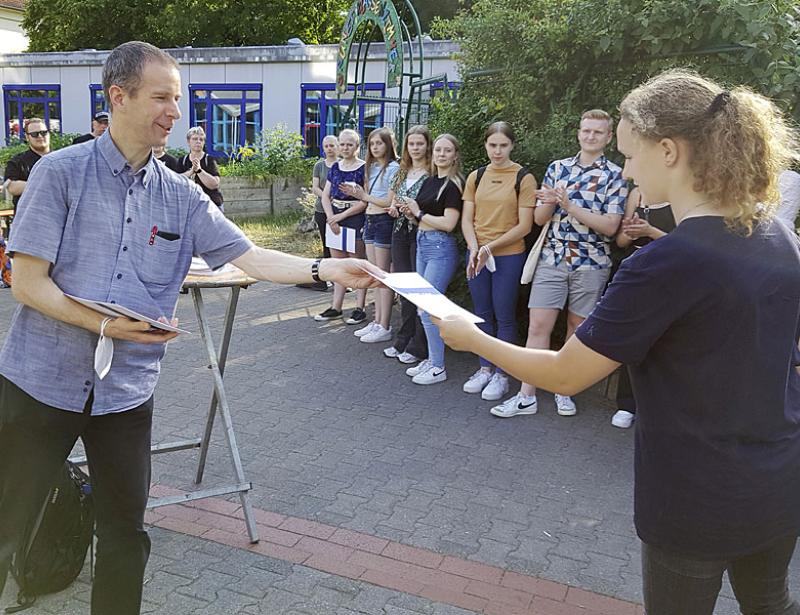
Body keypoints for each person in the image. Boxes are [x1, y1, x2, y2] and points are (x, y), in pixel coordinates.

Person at [0, 41, 379, 615]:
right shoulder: (59, 173)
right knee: (7, 524)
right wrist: (110, 324)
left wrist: (326, 267)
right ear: (118, 96)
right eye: (161, 98)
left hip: (124, 395)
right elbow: (27, 285)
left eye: (176, 99)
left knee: (126, 534)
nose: (175, 113)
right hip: (37, 385)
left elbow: (250, 257)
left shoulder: (182, 195)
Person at [435, 69, 800, 615]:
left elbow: (565, 373)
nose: (626, 168)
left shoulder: (669, 261)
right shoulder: (778, 235)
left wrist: (473, 338)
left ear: (669, 151)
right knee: (771, 603)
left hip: (696, 494)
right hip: (778, 480)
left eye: (630, 154)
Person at [490, 110, 626, 419]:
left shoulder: (615, 176)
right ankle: (526, 395)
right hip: (552, 259)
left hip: (591, 264)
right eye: (586, 130)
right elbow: (539, 220)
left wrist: (569, 205)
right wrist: (550, 202)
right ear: (578, 133)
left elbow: (609, 227)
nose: (590, 136)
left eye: (597, 132)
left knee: (577, 329)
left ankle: (564, 388)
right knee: (538, 326)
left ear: (608, 137)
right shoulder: (557, 168)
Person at [461, 121, 536, 402]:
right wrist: (474, 248)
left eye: (503, 145)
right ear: (485, 145)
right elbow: (468, 219)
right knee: (481, 314)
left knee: (504, 315)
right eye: (492, 145)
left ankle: (502, 375)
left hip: (507, 255)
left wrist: (489, 248)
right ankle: (485, 367)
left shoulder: (523, 177)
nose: (497, 151)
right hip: (477, 254)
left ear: (512, 146)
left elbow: (525, 226)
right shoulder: (476, 176)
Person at [399, 134, 463, 384]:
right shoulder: (431, 181)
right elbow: (420, 217)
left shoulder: (454, 184)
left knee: (429, 309)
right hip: (422, 243)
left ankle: (438, 367)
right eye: (438, 150)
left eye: (447, 150)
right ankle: (431, 359)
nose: (441, 154)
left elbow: (449, 224)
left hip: (440, 248)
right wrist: (411, 213)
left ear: (455, 155)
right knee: (421, 306)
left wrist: (418, 211)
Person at [609, 187, 674, 429]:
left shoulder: (677, 191)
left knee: (665, 342)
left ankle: (657, 407)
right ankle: (627, 404)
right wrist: (632, 232)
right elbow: (621, 241)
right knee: (632, 338)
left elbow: (685, 243)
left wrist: (650, 231)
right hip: (637, 270)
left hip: (669, 270)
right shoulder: (636, 193)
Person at [343, 128, 400, 342]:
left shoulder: (394, 168)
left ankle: (384, 325)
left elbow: (387, 201)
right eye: (372, 143)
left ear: (388, 144)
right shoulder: (373, 167)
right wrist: (358, 194)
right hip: (370, 220)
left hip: (384, 222)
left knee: (382, 276)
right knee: (374, 276)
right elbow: (368, 198)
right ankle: (376, 322)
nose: (375, 147)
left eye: (380, 143)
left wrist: (363, 195)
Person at [383, 125, 431, 364]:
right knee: (404, 286)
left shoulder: (432, 172)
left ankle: (418, 345)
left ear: (427, 146)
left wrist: (414, 211)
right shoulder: (402, 170)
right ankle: (404, 337)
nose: (415, 148)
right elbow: (392, 202)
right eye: (411, 144)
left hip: (420, 232)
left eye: (419, 144)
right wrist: (393, 208)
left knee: (419, 289)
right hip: (399, 231)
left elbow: (432, 205)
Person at [314, 128, 369, 324]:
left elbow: (364, 200)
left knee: (357, 264)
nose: (345, 148)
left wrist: (342, 216)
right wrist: (331, 217)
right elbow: (326, 195)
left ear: (357, 146)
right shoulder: (335, 167)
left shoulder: (364, 168)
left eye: (350, 144)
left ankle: (359, 307)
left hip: (354, 218)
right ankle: (336, 307)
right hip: (334, 218)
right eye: (343, 144)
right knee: (338, 265)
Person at [3, 117, 51, 236]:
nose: (40, 136)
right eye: (34, 134)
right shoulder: (17, 161)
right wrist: (47, 185)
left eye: (43, 132)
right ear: (27, 137)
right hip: (28, 225)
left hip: (58, 222)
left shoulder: (62, 158)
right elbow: (12, 187)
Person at [309, 135, 340, 287]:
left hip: (339, 210)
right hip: (322, 210)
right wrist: (326, 197)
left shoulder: (343, 164)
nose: (329, 148)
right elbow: (315, 188)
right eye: (326, 146)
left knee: (339, 246)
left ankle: (341, 278)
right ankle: (329, 276)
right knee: (327, 245)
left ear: (337, 147)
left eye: (332, 145)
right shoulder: (319, 166)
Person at [176, 126, 224, 209]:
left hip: (211, 205)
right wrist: (191, 172)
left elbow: (215, 184)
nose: (198, 141)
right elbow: (176, 182)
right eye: (195, 139)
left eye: (201, 139)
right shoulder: (182, 161)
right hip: (189, 206)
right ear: (188, 141)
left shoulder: (209, 160)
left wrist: (199, 171)